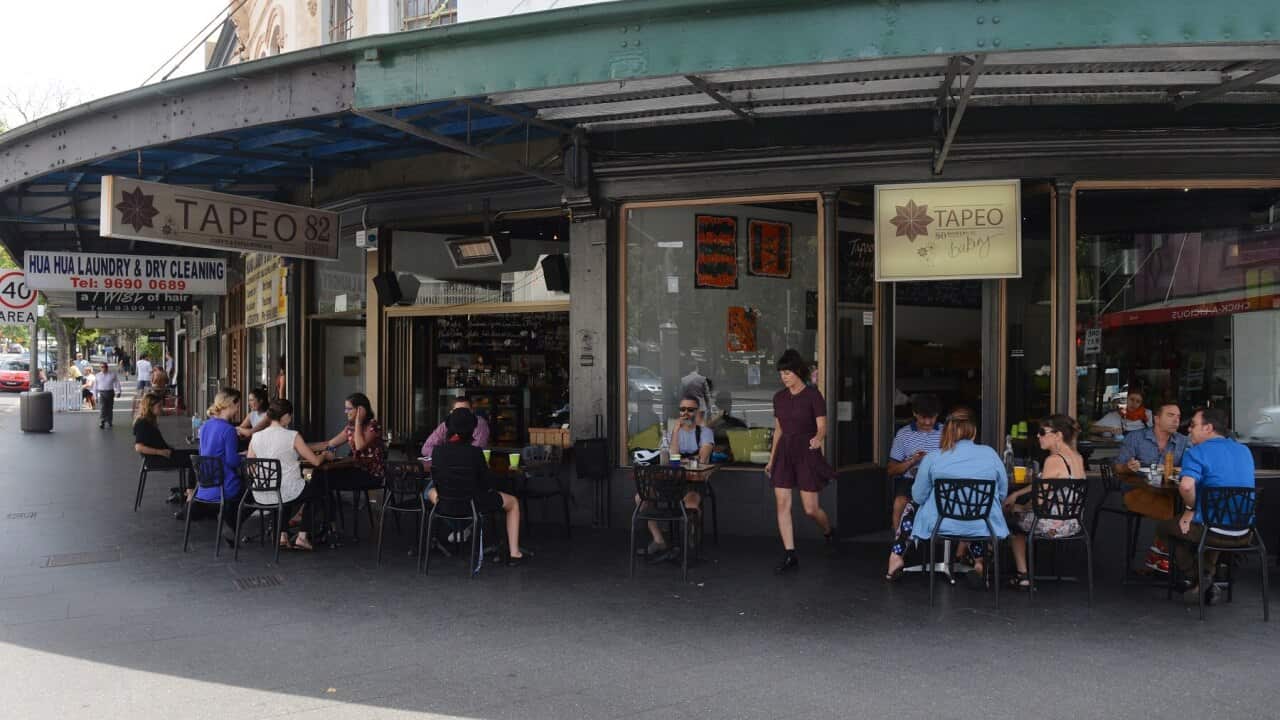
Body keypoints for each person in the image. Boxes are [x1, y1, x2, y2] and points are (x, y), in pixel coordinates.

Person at [885, 407, 1009, 588]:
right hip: (983, 523)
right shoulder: (990, 454)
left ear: (947, 431)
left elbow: (918, 496)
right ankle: (980, 561)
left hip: (941, 523)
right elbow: (1002, 493)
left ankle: (896, 557)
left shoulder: (933, 458)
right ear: (973, 431)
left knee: (911, 506)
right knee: (972, 515)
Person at [1154, 407, 1256, 605]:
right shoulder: (1244, 450)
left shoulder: (1197, 452)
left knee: (1166, 528)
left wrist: (1191, 510)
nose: (1188, 430)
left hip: (1212, 531)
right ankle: (1206, 578)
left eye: (1193, 425)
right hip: (1246, 532)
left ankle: (1200, 578)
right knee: (1209, 523)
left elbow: (1185, 485)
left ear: (1208, 428)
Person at [765, 349, 836, 573]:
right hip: (784, 451)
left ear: (798, 372)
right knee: (783, 504)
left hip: (806, 450)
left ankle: (828, 531)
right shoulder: (779, 398)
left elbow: (822, 425)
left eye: (787, 372)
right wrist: (771, 458)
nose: (783, 377)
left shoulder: (813, 395)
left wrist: (818, 438)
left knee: (810, 509)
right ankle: (790, 554)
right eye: (781, 373)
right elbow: (778, 430)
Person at [427, 408, 525, 566]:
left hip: (445, 503)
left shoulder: (437, 451)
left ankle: (457, 529)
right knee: (513, 502)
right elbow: (486, 484)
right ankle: (515, 553)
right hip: (472, 504)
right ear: (471, 430)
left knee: (431, 491)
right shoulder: (475, 453)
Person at [1003, 414, 1086, 590]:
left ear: (1058, 435)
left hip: (1052, 525)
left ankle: (1022, 576)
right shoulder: (1077, 457)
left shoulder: (1053, 460)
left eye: (1042, 432)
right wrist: (1017, 493)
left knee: (1009, 519)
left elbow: (1040, 503)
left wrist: (1020, 507)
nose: (1038, 436)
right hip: (1073, 523)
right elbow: (1044, 483)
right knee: (1015, 511)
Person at [1111, 400, 1190, 574]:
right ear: (1156, 418)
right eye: (1170, 415)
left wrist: (1173, 470)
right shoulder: (1135, 437)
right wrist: (1127, 467)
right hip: (1137, 490)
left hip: (1170, 493)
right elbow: (1118, 467)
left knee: (1183, 510)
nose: (1176, 420)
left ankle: (1164, 560)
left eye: (1178, 416)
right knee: (1173, 512)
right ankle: (1163, 561)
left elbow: (1191, 468)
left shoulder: (1183, 441)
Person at [635, 393, 716, 560]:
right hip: (671, 481)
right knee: (640, 498)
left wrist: (680, 459)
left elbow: (702, 459)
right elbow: (671, 457)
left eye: (690, 410)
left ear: (697, 411)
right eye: (682, 409)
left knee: (691, 503)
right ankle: (659, 540)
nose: (685, 413)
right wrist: (676, 432)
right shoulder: (674, 431)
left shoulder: (705, 432)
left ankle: (690, 539)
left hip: (694, 482)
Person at [247, 398, 330, 551]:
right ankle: (302, 537)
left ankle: (282, 535)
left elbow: (250, 467)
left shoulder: (256, 437)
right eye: (290, 416)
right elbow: (316, 462)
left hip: (261, 493)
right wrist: (325, 454)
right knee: (316, 487)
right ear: (285, 416)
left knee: (298, 483)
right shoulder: (292, 436)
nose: (291, 419)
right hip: (289, 490)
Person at [886, 393, 943, 532]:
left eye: (932, 417)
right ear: (915, 414)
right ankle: (899, 545)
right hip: (910, 482)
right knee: (900, 503)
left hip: (939, 481)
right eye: (924, 417)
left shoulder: (946, 432)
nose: (928, 422)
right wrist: (912, 461)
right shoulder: (903, 434)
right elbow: (891, 470)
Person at [195, 388, 245, 542]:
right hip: (225, 485)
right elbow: (231, 461)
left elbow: (204, 453)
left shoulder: (204, 427)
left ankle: (226, 519)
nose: (238, 410)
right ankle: (230, 522)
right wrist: (244, 457)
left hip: (206, 485)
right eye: (237, 406)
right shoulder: (229, 430)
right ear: (230, 404)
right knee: (251, 492)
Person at [310, 392, 386, 489]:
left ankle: (330, 504)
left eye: (349, 408)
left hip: (371, 475)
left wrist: (358, 420)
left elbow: (359, 446)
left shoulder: (373, 425)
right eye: (346, 408)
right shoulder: (350, 428)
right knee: (318, 474)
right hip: (355, 470)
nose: (346, 412)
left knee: (324, 479)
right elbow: (330, 444)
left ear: (360, 410)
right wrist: (303, 446)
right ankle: (327, 504)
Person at [133, 392, 195, 505]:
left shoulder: (149, 419)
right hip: (157, 459)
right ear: (150, 408)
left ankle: (190, 490)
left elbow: (164, 412)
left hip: (162, 454)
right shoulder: (143, 423)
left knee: (196, 453)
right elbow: (139, 447)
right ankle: (191, 493)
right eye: (159, 406)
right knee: (194, 459)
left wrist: (172, 411)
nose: (161, 408)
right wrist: (160, 451)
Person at [421, 396, 490, 459]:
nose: (461, 415)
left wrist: (444, 454)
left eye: (465, 411)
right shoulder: (446, 424)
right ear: (451, 412)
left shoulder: (479, 424)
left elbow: (474, 454)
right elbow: (426, 448)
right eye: (457, 411)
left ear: (472, 412)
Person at [93, 362, 122, 429]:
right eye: (102, 367)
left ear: (107, 367)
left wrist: (118, 391)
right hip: (102, 393)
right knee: (103, 407)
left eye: (105, 367)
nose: (104, 368)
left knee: (110, 407)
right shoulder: (97, 375)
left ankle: (109, 420)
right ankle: (102, 421)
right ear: (100, 368)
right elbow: (95, 386)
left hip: (110, 392)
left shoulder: (112, 374)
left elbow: (117, 383)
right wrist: (95, 396)